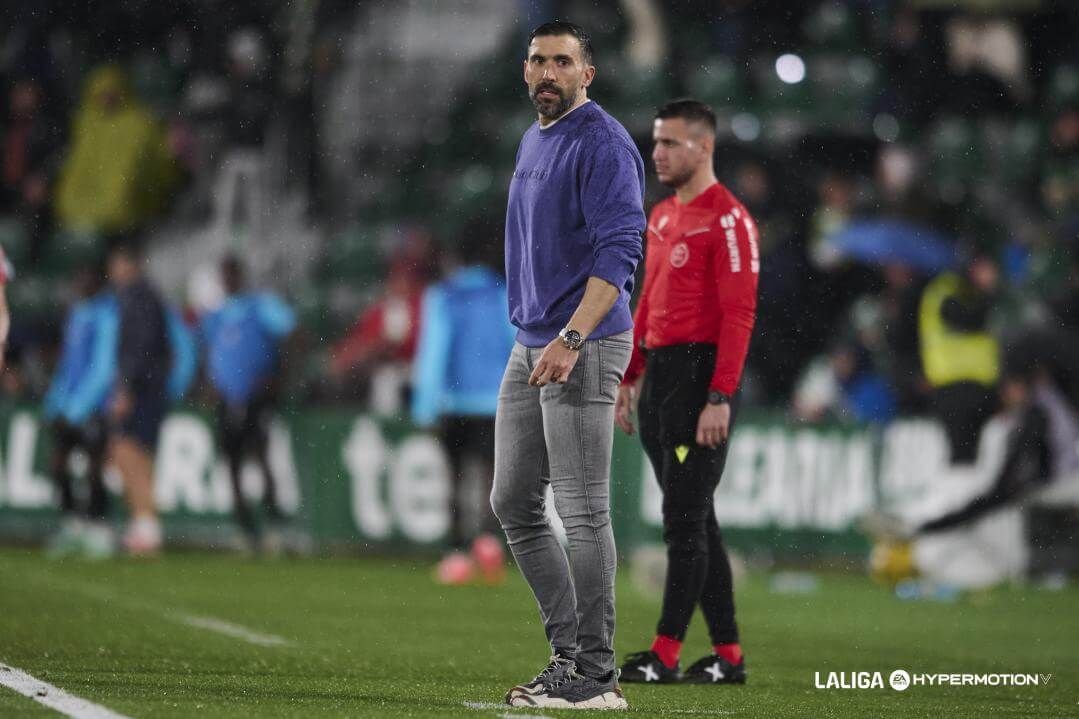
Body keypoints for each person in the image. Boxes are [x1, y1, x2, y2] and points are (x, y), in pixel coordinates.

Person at [491, 21, 644, 711]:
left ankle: (594, 673)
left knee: (582, 512)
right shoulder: (535, 138)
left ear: (588, 73)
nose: (547, 72)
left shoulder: (602, 142)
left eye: (562, 61)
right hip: (532, 341)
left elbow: (620, 251)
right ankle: (569, 654)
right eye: (537, 61)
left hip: (581, 343)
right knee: (513, 502)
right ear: (525, 71)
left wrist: (572, 337)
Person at [615, 100, 759, 685]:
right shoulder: (663, 216)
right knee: (698, 521)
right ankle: (728, 656)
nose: (658, 153)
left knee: (683, 521)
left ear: (705, 147)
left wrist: (719, 396)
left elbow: (739, 314)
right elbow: (648, 299)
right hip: (662, 385)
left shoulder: (728, 221)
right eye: (656, 142)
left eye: (670, 143)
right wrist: (630, 375)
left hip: (701, 383)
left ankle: (665, 654)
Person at [410, 218, 515, 584]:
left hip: (454, 402)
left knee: (454, 477)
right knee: (489, 475)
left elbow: (434, 351)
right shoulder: (502, 293)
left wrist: (425, 405)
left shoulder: (444, 296)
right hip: (494, 401)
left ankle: (456, 553)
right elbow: (516, 345)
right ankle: (488, 541)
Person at [201, 255, 296, 550]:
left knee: (260, 453)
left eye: (232, 275)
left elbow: (294, 334)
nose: (228, 281)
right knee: (231, 460)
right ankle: (244, 525)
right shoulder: (216, 315)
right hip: (226, 397)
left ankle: (273, 521)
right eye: (224, 275)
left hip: (256, 396)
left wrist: (277, 375)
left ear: (241, 277)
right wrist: (209, 382)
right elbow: (209, 350)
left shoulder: (262, 306)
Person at [42, 266, 117, 558]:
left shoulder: (107, 316)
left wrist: (77, 408)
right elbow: (67, 365)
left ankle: (98, 528)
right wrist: (55, 402)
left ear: (97, 284)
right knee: (58, 465)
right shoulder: (76, 314)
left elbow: (103, 368)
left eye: (86, 280)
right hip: (68, 406)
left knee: (94, 468)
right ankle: (72, 524)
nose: (80, 284)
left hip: (94, 407)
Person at [107, 243, 173, 555]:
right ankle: (143, 522)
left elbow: (140, 348)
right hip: (148, 386)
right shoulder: (142, 297)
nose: (112, 271)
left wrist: (126, 388)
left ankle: (146, 523)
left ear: (129, 265)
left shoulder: (140, 298)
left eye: (117, 264)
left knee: (129, 451)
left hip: (142, 389)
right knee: (132, 452)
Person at [918, 253, 1001, 465]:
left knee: (983, 457)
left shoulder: (963, 292)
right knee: (964, 456)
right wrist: (989, 292)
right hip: (955, 387)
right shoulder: (945, 292)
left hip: (978, 385)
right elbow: (970, 319)